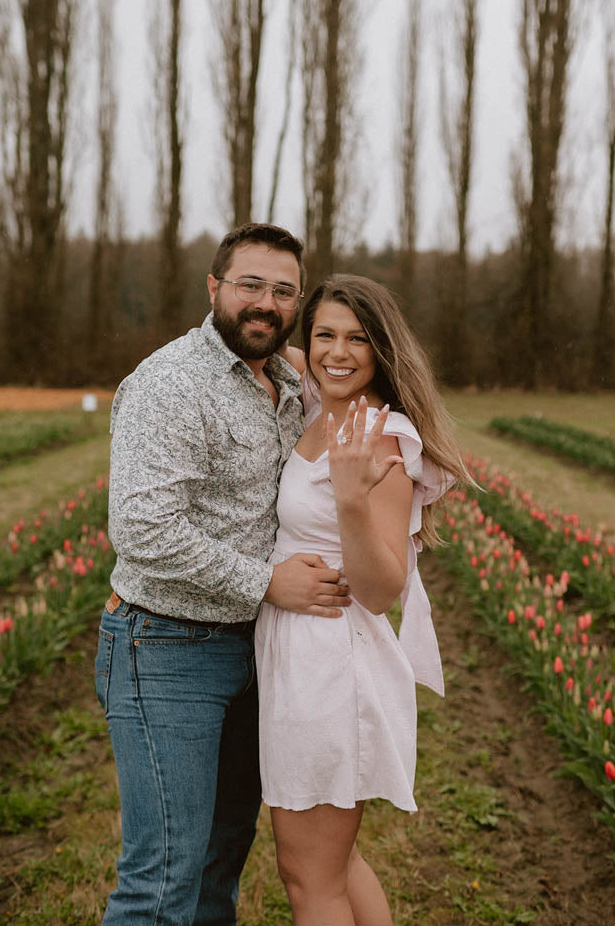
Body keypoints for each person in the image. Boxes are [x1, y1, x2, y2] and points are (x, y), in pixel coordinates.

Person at [94, 223, 351, 925]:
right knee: (164, 875)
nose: (265, 303)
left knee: (220, 856)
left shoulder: (291, 381)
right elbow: (143, 530)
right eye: (249, 286)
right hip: (167, 648)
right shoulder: (170, 384)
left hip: (256, 651)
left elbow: (367, 391)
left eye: (282, 291)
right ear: (214, 289)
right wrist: (266, 581)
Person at [255, 274, 472, 925]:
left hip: (332, 663)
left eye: (356, 338)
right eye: (324, 335)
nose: (337, 352)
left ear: (381, 348)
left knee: (309, 878)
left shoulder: (380, 436)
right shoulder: (324, 406)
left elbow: (381, 590)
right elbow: (283, 352)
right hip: (298, 657)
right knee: (334, 866)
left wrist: (350, 500)